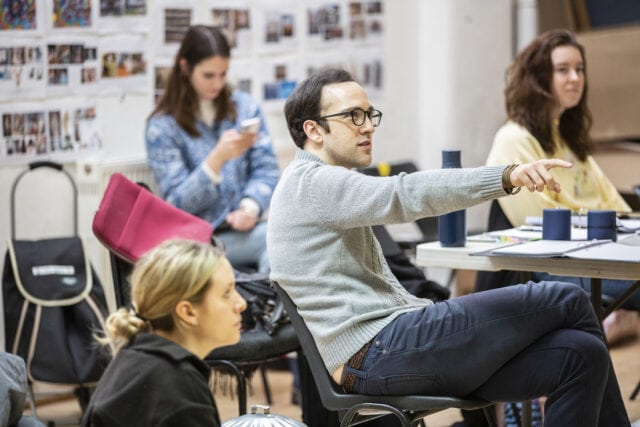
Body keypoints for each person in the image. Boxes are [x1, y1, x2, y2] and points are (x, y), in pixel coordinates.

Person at [267, 68, 630, 427]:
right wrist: (505, 176)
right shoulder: (311, 183)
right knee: (566, 298)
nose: (368, 125)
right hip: (377, 352)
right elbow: (404, 194)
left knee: (582, 355)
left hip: (390, 349)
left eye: (369, 114)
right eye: (353, 116)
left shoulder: (323, 183)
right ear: (313, 129)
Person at [481, 28, 639, 342]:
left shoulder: (567, 138)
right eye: (562, 69)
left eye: (579, 69)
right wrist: (607, 224)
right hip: (551, 267)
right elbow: (540, 225)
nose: (575, 78)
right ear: (539, 78)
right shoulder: (514, 139)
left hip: (597, 257)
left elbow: (615, 207)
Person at [146, 25, 279, 273]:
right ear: (185, 67)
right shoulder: (161, 127)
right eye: (208, 75)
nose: (218, 83)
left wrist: (250, 207)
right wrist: (216, 160)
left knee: (284, 238)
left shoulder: (245, 108)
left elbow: (267, 169)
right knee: (275, 242)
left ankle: (265, 307)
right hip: (195, 242)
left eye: (223, 73)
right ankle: (269, 308)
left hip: (246, 229)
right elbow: (176, 204)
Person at [81, 239, 247, 427]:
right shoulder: (177, 390)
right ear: (188, 312)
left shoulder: (137, 357)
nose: (242, 303)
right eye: (227, 293)